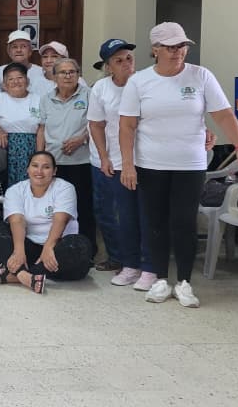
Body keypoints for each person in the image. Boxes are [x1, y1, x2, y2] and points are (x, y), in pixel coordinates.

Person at [118, 22, 238, 308]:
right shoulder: (139, 81)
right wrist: (128, 164)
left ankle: (183, 282)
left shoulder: (201, 76)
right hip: (151, 162)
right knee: (155, 222)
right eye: (170, 47)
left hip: (190, 164)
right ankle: (159, 279)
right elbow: (127, 126)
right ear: (155, 49)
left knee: (183, 222)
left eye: (182, 46)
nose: (178, 51)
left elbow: (223, 114)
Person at [89, 39, 154, 289]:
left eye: (129, 58)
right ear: (108, 67)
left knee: (147, 216)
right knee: (124, 216)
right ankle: (130, 265)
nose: (126, 64)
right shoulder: (101, 88)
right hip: (116, 162)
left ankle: (150, 267)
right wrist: (104, 157)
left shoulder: (146, 83)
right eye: (119, 60)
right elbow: (96, 125)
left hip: (148, 161)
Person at [0, 151, 92, 293]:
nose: (39, 171)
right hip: (28, 248)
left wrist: (49, 247)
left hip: (57, 249)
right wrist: (18, 251)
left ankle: (16, 274)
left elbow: (60, 219)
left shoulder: (65, 188)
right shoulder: (15, 190)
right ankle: (27, 275)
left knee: (80, 245)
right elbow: (17, 220)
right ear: (28, 169)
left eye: (46, 167)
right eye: (35, 166)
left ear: (54, 171)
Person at [36, 57, 96, 256]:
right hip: (54, 164)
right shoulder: (46, 99)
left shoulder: (89, 95)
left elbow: (97, 125)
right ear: (54, 77)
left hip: (81, 162)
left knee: (83, 208)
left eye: (72, 72)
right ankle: (55, 249)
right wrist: (40, 157)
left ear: (78, 75)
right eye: (63, 72)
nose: (68, 76)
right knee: (54, 208)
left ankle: (87, 252)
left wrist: (81, 139)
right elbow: (41, 129)